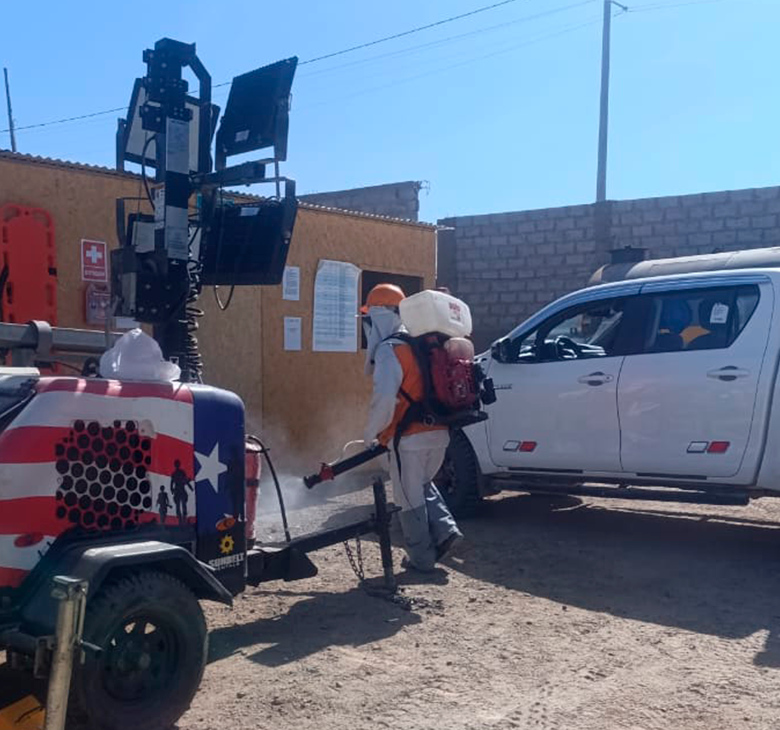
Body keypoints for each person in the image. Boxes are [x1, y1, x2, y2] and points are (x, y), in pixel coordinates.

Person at [361, 283, 463, 572]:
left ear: (379, 315)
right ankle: (446, 530)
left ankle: (421, 559)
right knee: (421, 485)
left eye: (369, 319)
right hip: (439, 432)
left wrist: (371, 434)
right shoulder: (423, 344)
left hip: (408, 439)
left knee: (407, 499)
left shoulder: (390, 350)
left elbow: (384, 400)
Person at [170, 459, 193, 526]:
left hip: (182, 489)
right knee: (178, 505)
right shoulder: (174, 474)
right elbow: (172, 482)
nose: (177, 465)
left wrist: (190, 487)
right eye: (176, 464)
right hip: (177, 490)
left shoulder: (182, 472)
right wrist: (172, 489)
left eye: (178, 464)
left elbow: (185, 480)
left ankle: (184, 517)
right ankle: (180, 518)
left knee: (183, 504)